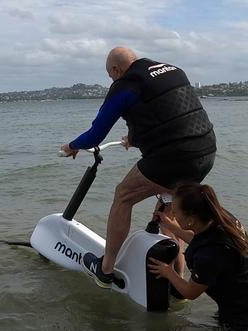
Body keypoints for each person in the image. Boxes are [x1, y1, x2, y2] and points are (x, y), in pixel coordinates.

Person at [60, 46, 216, 289]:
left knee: (123, 195)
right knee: (170, 211)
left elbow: (95, 135)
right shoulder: (174, 70)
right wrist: (134, 138)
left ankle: (105, 269)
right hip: (205, 152)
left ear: (115, 69)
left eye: (110, 75)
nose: (111, 79)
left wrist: (72, 146)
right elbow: (171, 116)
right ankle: (177, 283)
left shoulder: (126, 85)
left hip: (173, 158)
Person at [147, 183, 248, 331]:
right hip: (233, 309)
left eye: (175, 212)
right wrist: (172, 226)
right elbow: (202, 242)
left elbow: (190, 292)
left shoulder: (211, 254)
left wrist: (168, 272)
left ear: (191, 219)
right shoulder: (219, 219)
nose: (172, 213)